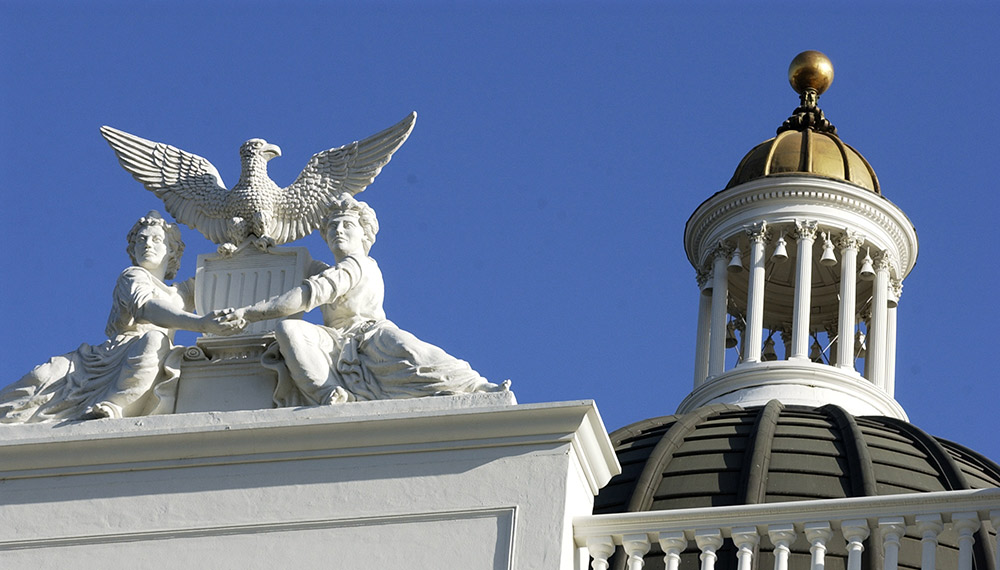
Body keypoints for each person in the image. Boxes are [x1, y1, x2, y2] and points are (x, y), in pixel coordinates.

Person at [228, 194, 508, 406]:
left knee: (418, 357)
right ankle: (330, 393)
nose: (338, 230)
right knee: (289, 330)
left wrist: (248, 313)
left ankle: (477, 386)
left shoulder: (354, 266)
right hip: (335, 340)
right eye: (332, 227)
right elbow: (301, 267)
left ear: (364, 234)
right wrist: (260, 245)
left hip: (371, 335)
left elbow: (299, 298)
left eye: (347, 225)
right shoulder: (330, 271)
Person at [0, 211, 245, 423]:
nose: (148, 244)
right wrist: (200, 324)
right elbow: (146, 308)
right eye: (141, 240)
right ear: (133, 248)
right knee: (40, 377)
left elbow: (220, 280)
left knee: (154, 340)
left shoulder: (182, 293)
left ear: (172, 253)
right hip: (102, 358)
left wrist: (234, 250)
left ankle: (113, 405)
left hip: (144, 354)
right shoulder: (133, 276)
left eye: (157, 240)